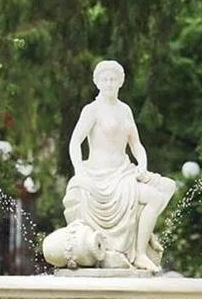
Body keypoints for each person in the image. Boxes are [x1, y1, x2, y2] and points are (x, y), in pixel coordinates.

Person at [63, 60, 176, 272]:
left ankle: (140, 252)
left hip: (124, 172)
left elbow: (136, 145)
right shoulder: (92, 110)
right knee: (154, 197)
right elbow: (75, 142)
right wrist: (80, 171)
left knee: (165, 189)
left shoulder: (125, 110)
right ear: (97, 82)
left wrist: (142, 165)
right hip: (100, 175)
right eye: (104, 79)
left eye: (113, 79)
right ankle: (135, 251)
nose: (108, 83)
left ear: (120, 82)